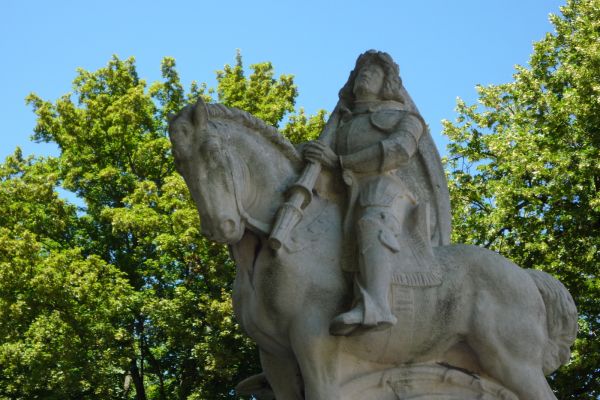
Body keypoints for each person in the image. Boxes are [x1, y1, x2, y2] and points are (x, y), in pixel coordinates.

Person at [304, 50, 450, 336]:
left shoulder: (407, 119)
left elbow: (397, 151)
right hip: (341, 191)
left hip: (384, 191)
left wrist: (341, 162)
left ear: (387, 82)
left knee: (372, 214)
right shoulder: (343, 121)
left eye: (373, 72)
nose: (365, 75)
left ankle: (377, 305)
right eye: (360, 72)